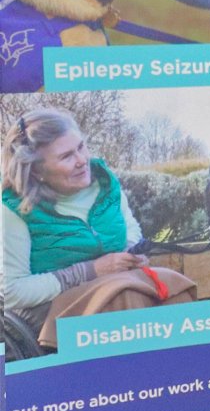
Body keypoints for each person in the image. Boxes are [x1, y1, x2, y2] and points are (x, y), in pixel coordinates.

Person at [2, 108, 193, 349]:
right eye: (66, 156)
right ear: (37, 171)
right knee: (125, 298)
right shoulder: (13, 209)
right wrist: (90, 271)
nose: (82, 161)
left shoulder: (105, 183)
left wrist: (130, 252)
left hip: (117, 284)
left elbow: (131, 230)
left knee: (174, 289)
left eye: (81, 147)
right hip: (48, 307)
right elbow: (13, 293)